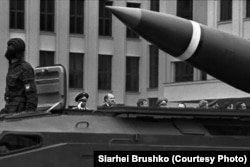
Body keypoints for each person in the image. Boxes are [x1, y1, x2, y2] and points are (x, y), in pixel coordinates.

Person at [1, 38, 38, 113]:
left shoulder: (25, 68)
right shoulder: (12, 66)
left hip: (19, 110)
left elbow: (31, 92)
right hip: (9, 107)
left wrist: (29, 111)